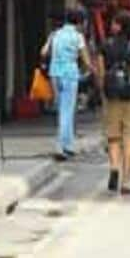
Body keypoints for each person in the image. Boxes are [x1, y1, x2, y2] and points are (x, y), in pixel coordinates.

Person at [99, 12, 130, 194]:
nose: (111, 25)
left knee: (113, 136)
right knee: (129, 137)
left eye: (114, 22)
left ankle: (114, 167)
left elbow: (101, 73)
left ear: (119, 26)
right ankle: (126, 182)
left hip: (111, 96)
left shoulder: (105, 46)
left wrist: (103, 92)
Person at [43, 9, 95, 159]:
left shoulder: (55, 34)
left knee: (61, 108)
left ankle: (69, 144)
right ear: (80, 22)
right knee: (68, 110)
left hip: (55, 74)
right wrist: (92, 70)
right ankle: (62, 146)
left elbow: (44, 52)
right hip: (70, 74)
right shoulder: (78, 37)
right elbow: (85, 59)